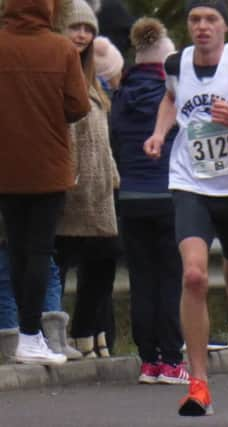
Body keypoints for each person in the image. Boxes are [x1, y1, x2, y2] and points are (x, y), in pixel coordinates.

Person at [143, 0, 228, 415]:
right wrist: (161, 132)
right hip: (190, 181)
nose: (202, 27)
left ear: (225, 26)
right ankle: (198, 384)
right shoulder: (176, 64)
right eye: (195, 19)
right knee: (193, 275)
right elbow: (170, 100)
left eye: (211, 19)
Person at [0, 0, 90, 365]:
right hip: (47, 167)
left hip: (5, 166)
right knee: (39, 251)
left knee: (15, 249)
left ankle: (18, 333)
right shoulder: (61, 48)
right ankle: (30, 335)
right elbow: (78, 106)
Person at [110, 17, 189, 385]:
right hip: (169, 194)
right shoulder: (173, 94)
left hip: (131, 198)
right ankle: (172, 360)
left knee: (142, 280)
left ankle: (148, 361)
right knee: (171, 278)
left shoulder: (120, 94)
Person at [55, 0, 121, 360]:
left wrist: (112, 174)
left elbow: (103, 136)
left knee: (105, 258)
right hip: (67, 188)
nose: (82, 35)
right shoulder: (54, 74)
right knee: (60, 262)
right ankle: (56, 336)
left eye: (88, 29)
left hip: (99, 191)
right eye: (75, 27)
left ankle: (83, 332)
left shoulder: (95, 82)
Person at [0, 212, 82, 362]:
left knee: (5, 276)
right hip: (30, 207)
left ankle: (10, 347)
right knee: (45, 268)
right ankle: (55, 341)